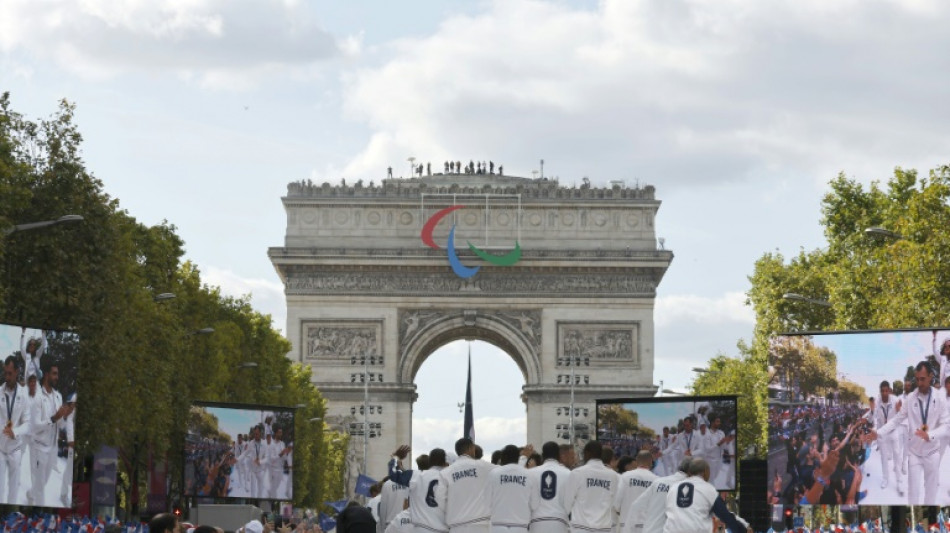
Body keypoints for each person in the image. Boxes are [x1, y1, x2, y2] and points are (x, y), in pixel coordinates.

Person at [869, 361, 950, 504]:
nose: (919, 383)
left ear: (931, 376)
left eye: (923, 379)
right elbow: (896, 420)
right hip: (914, 454)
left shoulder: (940, 397)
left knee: (930, 496)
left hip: (932, 453)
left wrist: (930, 435)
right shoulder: (911, 397)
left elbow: (945, 426)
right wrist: (879, 432)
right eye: (917, 379)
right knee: (913, 495)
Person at [661, 458, 750, 533]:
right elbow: (725, 516)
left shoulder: (673, 488)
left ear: (690, 472)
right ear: (705, 472)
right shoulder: (708, 489)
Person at [30, 358, 71, 505]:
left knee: (43, 483)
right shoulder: (37, 397)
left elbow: (60, 425)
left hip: (53, 448)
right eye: (54, 374)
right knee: (41, 489)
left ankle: (30, 493)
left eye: (57, 374)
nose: (57, 377)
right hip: (39, 447)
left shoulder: (58, 396)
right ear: (46, 375)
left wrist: (64, 417)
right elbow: (34, 426)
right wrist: (54, 418)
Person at [436, 438, 494, 533]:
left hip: (456, 526)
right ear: (471, 448)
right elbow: (504, 472)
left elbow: (440, 500)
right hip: (481, 525)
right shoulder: (483, 466)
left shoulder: (445, 473)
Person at [562, 441, 619, 533]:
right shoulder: (613, 476)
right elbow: (615, 504)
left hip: (580, 527)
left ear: (587, 453)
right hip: (603, 528)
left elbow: (567, 503)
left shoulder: (577, 473)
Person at [1, 356, 31, 504]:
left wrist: (16, 431)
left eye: (10, 373)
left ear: (17, 371)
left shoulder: (24, 395)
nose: (7, 377)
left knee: (13, 490)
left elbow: (28, 422)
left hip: (15, 448)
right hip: (0, 447)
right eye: (5, 373)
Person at [487, 444, 537, 533]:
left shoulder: (493, 473)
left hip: (497, 526)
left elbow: (486, 501)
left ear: (503, 457)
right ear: (518, 457)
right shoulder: (530, 475)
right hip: (520, 527)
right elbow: (535, 504)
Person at [528, 442, 571, 533]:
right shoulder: (568, 474)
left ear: (543, 456)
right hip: (560, 522)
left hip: (536, 523)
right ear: (559, 456)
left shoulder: (531, 473)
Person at [872, 380, 903, 494]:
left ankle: (899, 481)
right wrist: (875, 430)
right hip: (882, 433)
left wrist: (900, 410)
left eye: (886, 390)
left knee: (897, 456)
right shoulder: (877, 401)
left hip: (893, 431)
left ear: (889, 391)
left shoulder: (895, 400)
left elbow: (900, 416)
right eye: (882, 391)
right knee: (883, 457)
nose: (885, 393)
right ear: (880, 391)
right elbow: (875, 418)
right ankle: (886, 479)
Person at [613, 451, 656, 533]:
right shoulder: (656, 480)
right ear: (651, 462)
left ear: (637, 461)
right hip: (646, 525)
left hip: (626, 524)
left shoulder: (625, 476)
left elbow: (616, 503)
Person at [409, 448, 449, 533]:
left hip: (419, 528)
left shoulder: (416, 476)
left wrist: (396, 457)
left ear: (430, 461)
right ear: (444, 462)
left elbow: (394, 475)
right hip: (440, 528)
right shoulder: (448, 478)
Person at [380, 456, 419, 533]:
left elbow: (383, 507)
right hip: (408, 522)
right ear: (400, 466)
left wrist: (381, 528)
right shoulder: (409, 482)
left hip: (390, 523)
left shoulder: (387, 484)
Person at [60, 391, 77, 506]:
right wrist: (71, 440)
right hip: (72, 444)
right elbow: (69, 422)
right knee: (69, 470)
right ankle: (64, 495)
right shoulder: (74, 405)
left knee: (71, 472)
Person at [240, 426, 267, 496]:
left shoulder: (264, 444)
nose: (256, 435)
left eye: (257, 433)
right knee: (253, 491)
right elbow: (245, 453)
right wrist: (237, 459)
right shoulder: (251, 443)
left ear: (260, 433)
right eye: (254, 434)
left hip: (261, 471)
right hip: (253, 471)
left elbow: (267, 458)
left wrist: (260, 461)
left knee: (260, 491)